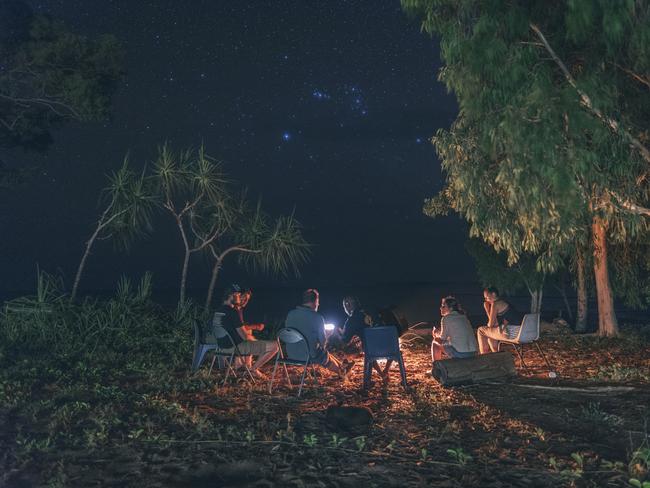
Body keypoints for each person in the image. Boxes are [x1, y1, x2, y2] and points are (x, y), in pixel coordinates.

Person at [284, 289, 353, 379]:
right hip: (307, 356)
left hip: (291, 353)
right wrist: (327, 335)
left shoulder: (291, 314)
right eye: (318, 302)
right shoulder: (317, 318)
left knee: (322, 352)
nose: (319, 304)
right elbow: (323, 343)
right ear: (315, 302)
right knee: (322, 354)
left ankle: (342, 366)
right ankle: (341, 371)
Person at [216, 284, 278, 379]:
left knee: (250, 335)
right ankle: (253, 369)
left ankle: (245, 366)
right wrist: (256, 341)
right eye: (238, 295)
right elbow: (244, 336)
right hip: (233, 348)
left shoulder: (219, 310)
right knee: (275, 346)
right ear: (231, 295)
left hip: (222, 347)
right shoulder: (232, 312)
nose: (240, 298)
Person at [476, 286, 524, 354]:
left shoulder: (495, 304)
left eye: (487, 297)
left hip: (511, 332)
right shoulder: (503, 302)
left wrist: (487, 309)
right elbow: (494, 325)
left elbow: (490, 324)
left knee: (481, 330)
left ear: (493, 294)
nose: (486, 300)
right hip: (521, 332)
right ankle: (496, 355)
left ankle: (484, 358)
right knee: (491, 332)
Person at [431, 296, 478, 362]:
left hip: (462, 354)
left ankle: (436, 367)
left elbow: (442, 340)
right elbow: (456, 337)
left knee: (435, 343)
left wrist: (435, 335)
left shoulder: (446, 318)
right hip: (473, 353)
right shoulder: (463, 317)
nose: (440, 308)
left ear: (450, 308)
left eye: (443, 306)